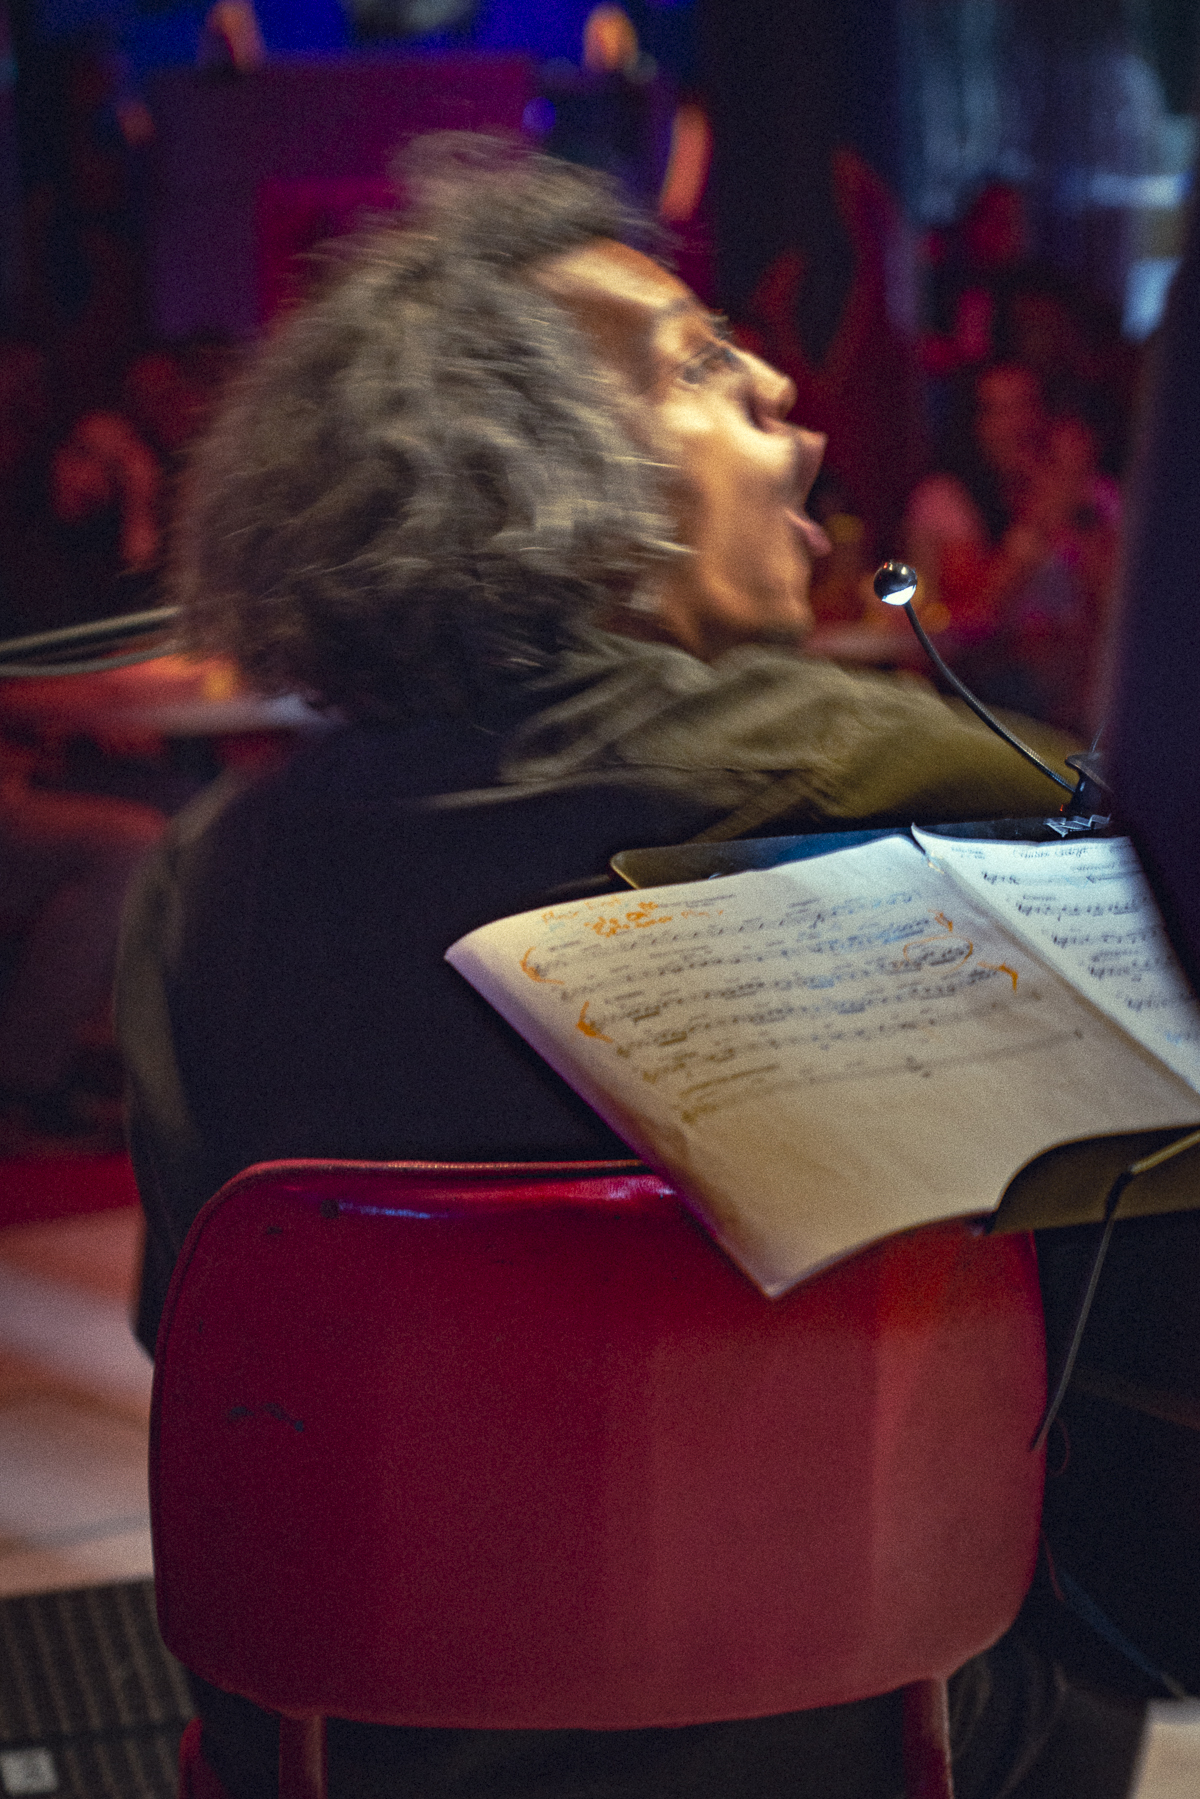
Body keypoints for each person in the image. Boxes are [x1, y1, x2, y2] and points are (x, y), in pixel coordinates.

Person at [116, 134, 1144, 1799]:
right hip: (870, 1734)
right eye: (703, 372)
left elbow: (206, 1351)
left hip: (350, 1743)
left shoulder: (202, 878)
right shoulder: (909, 781)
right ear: (539, 465)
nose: (790, 402)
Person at [904, 361, 1120, 735]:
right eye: (998, 411)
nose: (1016, 425)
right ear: (973, 424)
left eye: (1025, 406)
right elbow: (972, 619)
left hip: (1088, 695)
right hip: (986, 696)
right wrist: (1040, 522)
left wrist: (1076, 514)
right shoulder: (946, 500)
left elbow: (1122, 610)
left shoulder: (1094, 497)